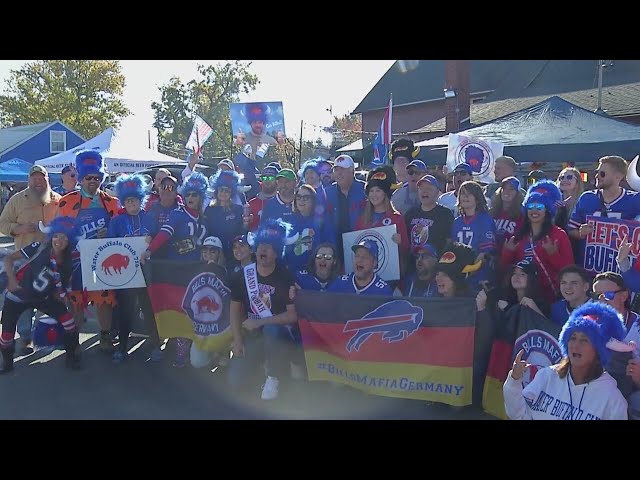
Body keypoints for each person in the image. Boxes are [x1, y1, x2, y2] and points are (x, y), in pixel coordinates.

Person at [503, 302, 629, 420]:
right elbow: (519, 414)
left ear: (599, 351)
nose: (575, 345)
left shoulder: (612, 398)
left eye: (584, 340)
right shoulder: (547, 376)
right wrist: (514, 379)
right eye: (572, 338)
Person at [227, 219, 300, 400]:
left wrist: (260, 321)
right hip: (254, 335)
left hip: (279, 336)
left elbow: (292, 315)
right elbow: (234, 309)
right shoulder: (243, 275)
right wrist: (237, 340)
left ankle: (273, 376)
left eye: (268, 247)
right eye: (260, 246)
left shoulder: (285, 276)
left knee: (271, 329)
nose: (263, 250)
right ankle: (263, 364)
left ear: (277, 253)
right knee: (234, 381)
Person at [56, 150, 119, 352]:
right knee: (75, 301)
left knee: (104, 300)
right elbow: (56, 234)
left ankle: (105, 336)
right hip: (75, 262)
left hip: (102, 261)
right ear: (81, 179)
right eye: (88, 177)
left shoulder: (111, 203)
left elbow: (121, 232)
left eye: (97, 177)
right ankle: (73, 342)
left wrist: (108, 234)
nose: (93, 181)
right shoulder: (66, 202)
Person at [0, 216, 82, 373]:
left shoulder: (67, 261)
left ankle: (72, 357)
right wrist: (11, 280)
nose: (59, 240)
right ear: (51, 236)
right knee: (7, 333)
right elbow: (9, 258)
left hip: (43, 298)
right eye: (56, 236)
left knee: (68, 322)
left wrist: (65, 301)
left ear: (69, 241)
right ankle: (7, 363)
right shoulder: (39, 247)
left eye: (64, 237)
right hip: (18, 295)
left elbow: (62, 287)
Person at [0, 164, 61, 355]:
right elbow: (3, 223)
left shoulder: (58, 200)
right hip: (24, 260)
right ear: (29, 180)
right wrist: (19, 228)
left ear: (47, 179)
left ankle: (43, 335)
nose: (38, 181)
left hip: (50, 260)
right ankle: (25, 336)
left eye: (41, 178)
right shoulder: (17, 200)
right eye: (34, 178)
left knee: (49, 299)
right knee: (24, 300)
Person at [106, 174, 158, 364]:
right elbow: (110, 245)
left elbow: (157, 240)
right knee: (125, 311)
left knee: (149, 309)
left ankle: (155, 344)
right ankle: (121, 347)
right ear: (123, 202)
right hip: (125, 275)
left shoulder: (149, 218)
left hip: (146, 272)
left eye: (134, 199)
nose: (131, 203)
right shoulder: (117, 222)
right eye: (127, 200)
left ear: (140, 199)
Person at [501, 180, 573, 305]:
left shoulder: (559, 235)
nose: (534, 211)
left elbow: (569, 270)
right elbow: (504, 270)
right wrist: (507, 253)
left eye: (539, 207)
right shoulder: (519, 235)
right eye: (530, 206)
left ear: (547, 210)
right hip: (521, 298)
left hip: (550, 298)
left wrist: (553, 254)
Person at [568, 156, 640, 263]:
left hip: (620, 271)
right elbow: (570, 229)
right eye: (597, 172)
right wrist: (580, 233)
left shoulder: (634, 200)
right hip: (588, 269)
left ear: (618, 177)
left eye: (602, 173)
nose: (597, 176)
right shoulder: (586, 198)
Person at [355, 166, 409, 273]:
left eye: (378, 190)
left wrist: (400, 242)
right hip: (366, 274)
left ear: (385, 193)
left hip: (390, 273)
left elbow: (407, 249)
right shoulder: (362, 218)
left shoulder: (396, 218)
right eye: (371, 191)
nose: (374, 195)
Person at [450, 180, 497, 292]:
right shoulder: (457, 222)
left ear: (477, 198)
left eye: (469, 194)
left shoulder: (485, 220)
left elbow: (485, 254)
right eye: (462, 193)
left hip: (480, 278)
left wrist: (468, 272)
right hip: (460, 276)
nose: (465, 197)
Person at [324, 154, 367, 265]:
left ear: (352, 171)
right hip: (335, 247)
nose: (339, 173)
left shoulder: (366, 190)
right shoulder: (327, 192)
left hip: (361, 245)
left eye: (343, 169)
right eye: (336, 170)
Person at [285, 185, 335, 273]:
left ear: (313, 200)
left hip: (314, 273)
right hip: (292, 273)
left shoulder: (323, 221)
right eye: (299, 197)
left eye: (306, 197)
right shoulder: (289, 221)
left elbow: (330, 247)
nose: (301, 200)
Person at [203, 169, 246, 268]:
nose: (223, 193)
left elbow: (242, 230)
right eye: (221, 189)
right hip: (214, 254)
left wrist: (246, 223)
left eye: (227, 190)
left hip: (233, 254)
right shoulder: (209, 210)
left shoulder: (238, 209)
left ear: (232, 193)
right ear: (216, 191)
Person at [404, 174, 453, 257]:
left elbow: (449, 242)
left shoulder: (445, 214)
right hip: (413, 263)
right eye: (421, 188)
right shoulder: (410, 213)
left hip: (435, 264)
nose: (424, 191)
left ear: (437, 192)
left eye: (429, 189)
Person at [328, 240, 393, 295]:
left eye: (365, 257)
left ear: (374, 262)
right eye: (357, 256)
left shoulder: (383, 291)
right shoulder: (340, 283)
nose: (359, 260)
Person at [489, 176, 525, 257]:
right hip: (491, 255)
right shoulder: (492, 212)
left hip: (512, 256)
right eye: (504, 188)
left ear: (517, 193)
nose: (506, 192)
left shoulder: (522, 214)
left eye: (511, 189)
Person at [246, 164, 279, 231]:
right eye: (264, 178)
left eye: (270, 178)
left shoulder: (282, 201)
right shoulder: (252, 203)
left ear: (277, 180)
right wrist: (246, 223)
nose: (267, 180)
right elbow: (245, 229)